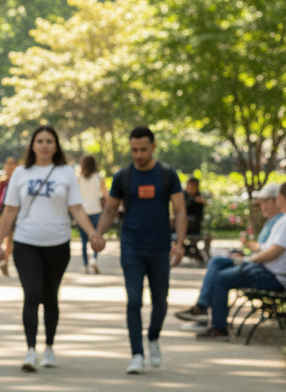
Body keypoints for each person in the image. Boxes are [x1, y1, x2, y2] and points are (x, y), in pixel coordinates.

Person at [0, 125, 102, 372]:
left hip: (58, 243)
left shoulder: (65, 174)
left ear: (56, 146)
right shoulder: (21, 173)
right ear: (32, 145)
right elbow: (9, 210)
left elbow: (76, 208)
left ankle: (49, 347)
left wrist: (92, 233)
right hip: (26, 243)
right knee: (31, 294)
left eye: (49, 141)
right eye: (40, 141)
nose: (44, 145)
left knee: (51, 296)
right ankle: (31, 350)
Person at [93, 126, 185, 375]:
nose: (138, 154)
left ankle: (153, 337)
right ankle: (136, 353)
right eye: (134, 150)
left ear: (153, 147)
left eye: (143, 149)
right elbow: (110, 209)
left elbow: (179, 210)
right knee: (134, 301)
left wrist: (180, 242)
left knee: (160, 302)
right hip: (131, 245)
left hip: (159, 246)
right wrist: (98, 233)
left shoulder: (167, 174)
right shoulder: (123, 177)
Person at [176, 181, 284, 329]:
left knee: (221, 277)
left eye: (264, 201)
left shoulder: (283, 221)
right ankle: (202, 311)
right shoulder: (280, 221)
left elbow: (274, 251)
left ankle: (216, 325)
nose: (261, 205)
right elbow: (269, 248)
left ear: (278, 199)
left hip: (271, 276)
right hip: (264, 269)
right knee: (217, 262)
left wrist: (247, 260)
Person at [76, 155, 107, 274]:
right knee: (96, 237)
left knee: (84, 240)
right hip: (96, 212)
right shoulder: (99, 178)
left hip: (82, 213)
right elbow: (104, 196)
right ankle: (94, 259)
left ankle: (85, 265)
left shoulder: (78, 179)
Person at [0, 157, 18, 276]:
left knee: (10, 240)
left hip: (16, 211)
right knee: (5, 236)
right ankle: (4, 259)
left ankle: (6, 261)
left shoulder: (19, 181)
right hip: (4, 211)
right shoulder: (3, 182)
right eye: (8, 166)